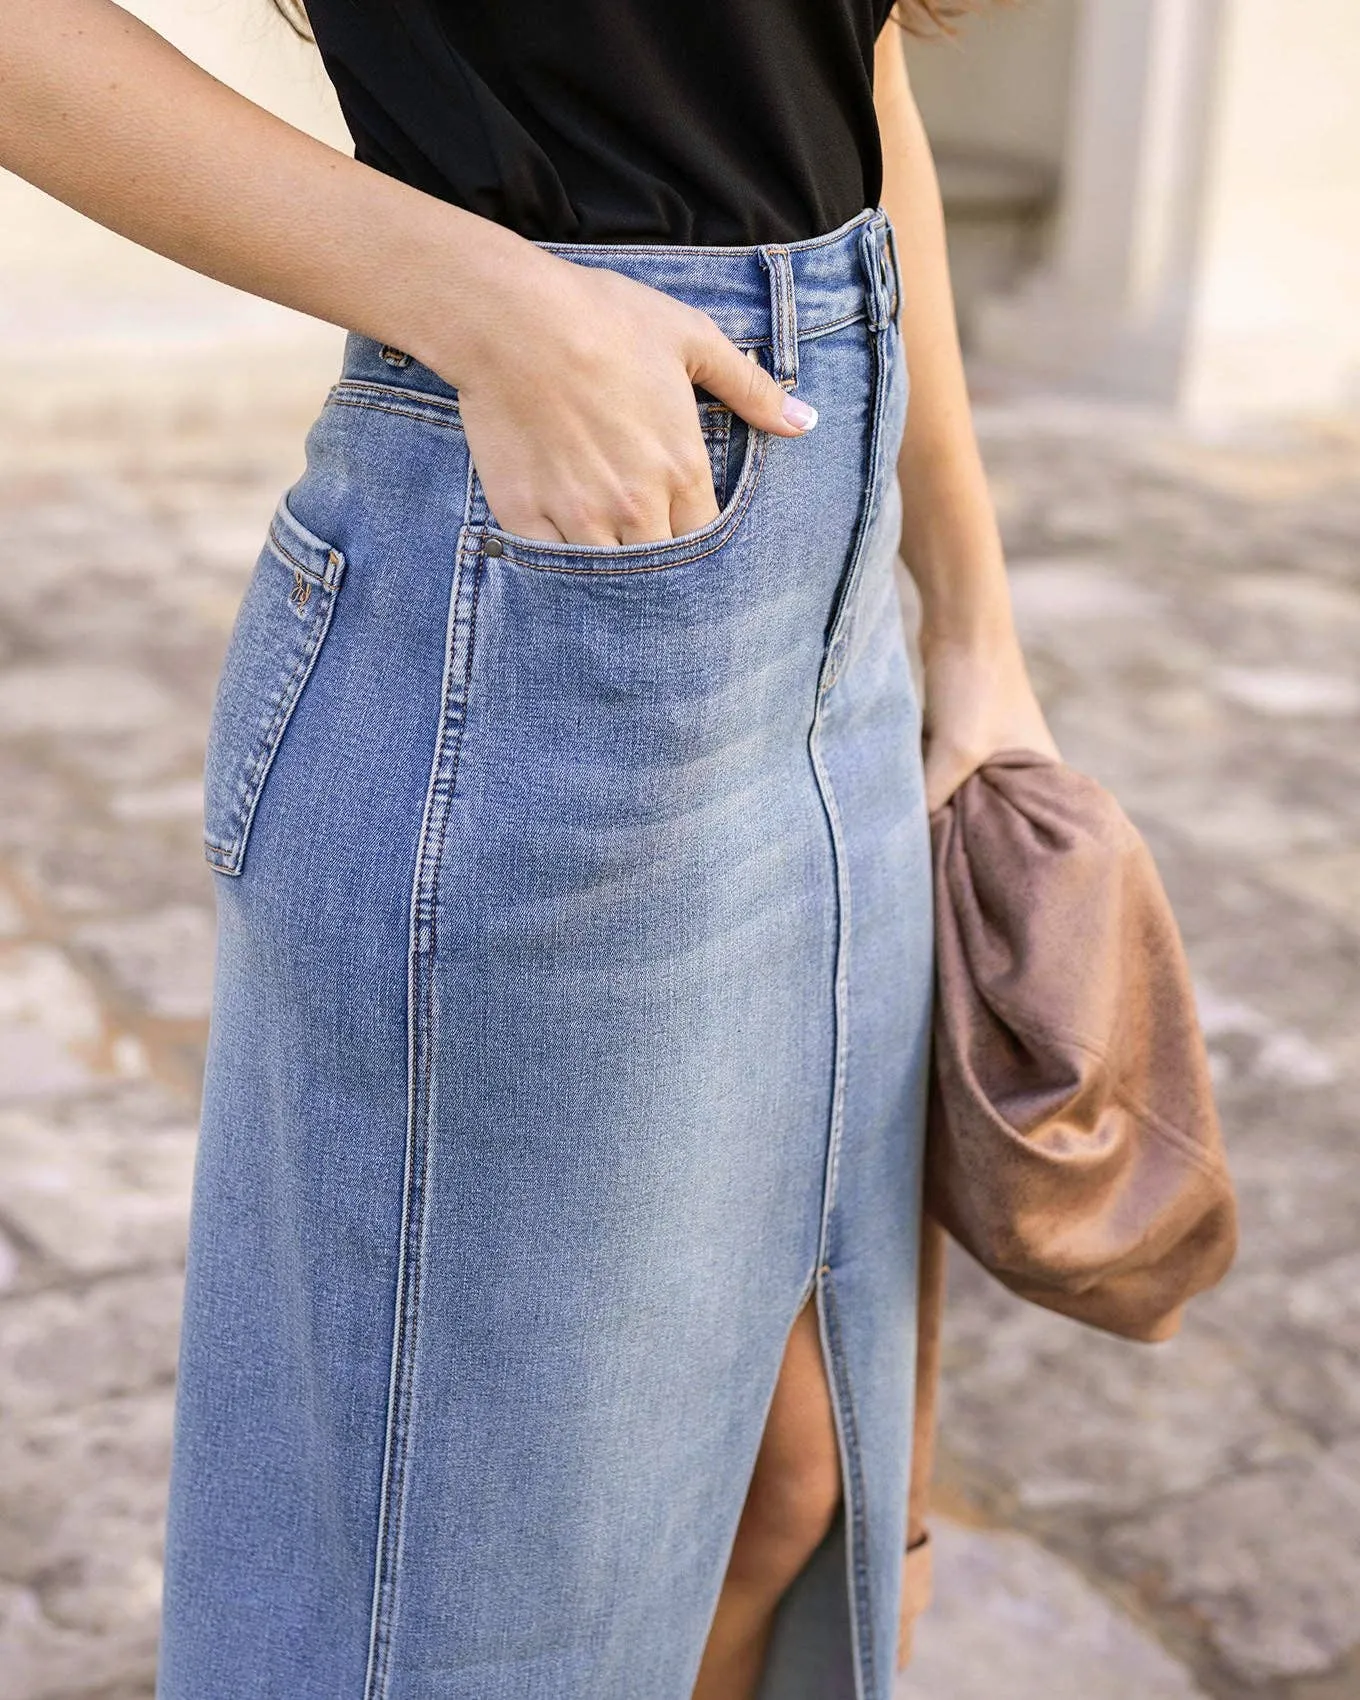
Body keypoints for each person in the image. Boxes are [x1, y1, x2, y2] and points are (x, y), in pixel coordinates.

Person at [1, 3, 1058, 1697]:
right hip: (564, 596)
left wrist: (973, 629)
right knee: (471, 1618)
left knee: (805, 1493)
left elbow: (852, 82)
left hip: (831, 603)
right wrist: (480, 300)